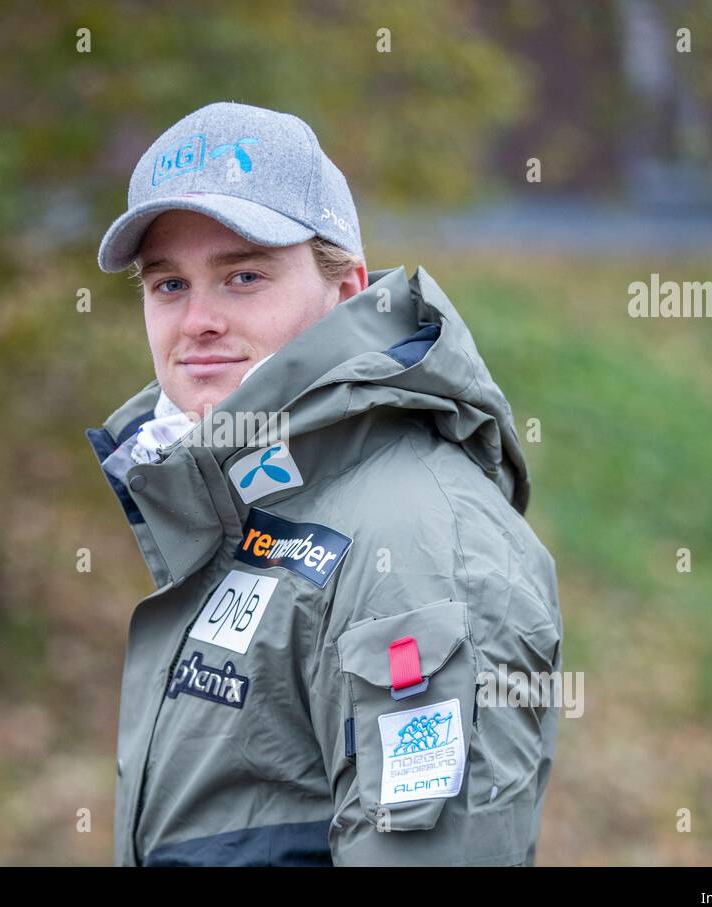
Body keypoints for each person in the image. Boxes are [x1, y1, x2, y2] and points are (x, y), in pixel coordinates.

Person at [86, 101, 563, 866]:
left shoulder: (422, 548)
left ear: (347, 293)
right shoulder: (242, 501)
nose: (197, 319)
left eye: (243, 275)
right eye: (168, 284)